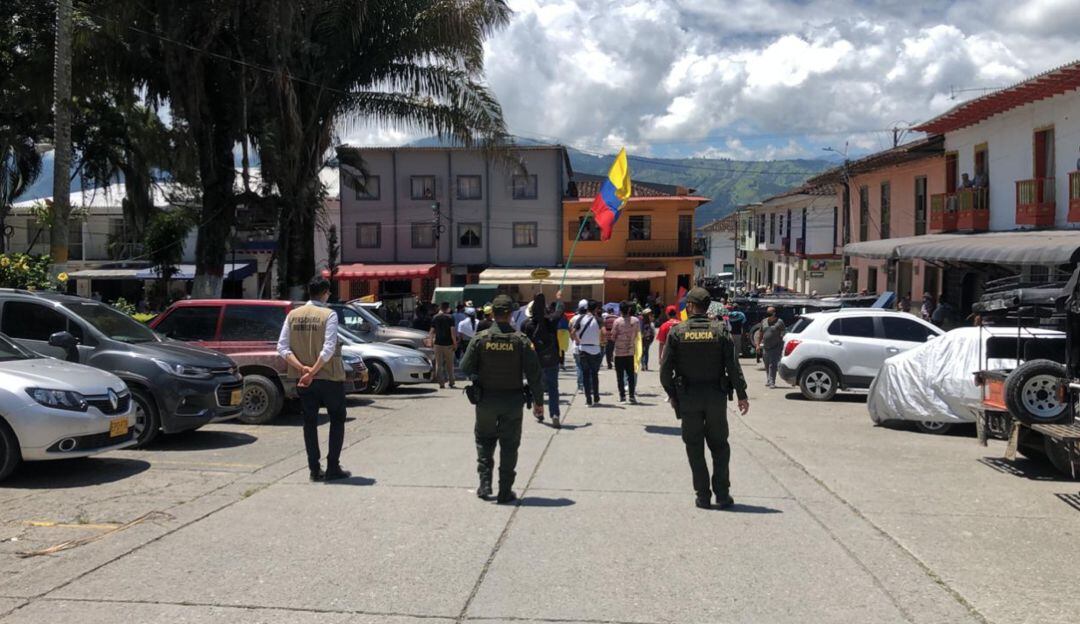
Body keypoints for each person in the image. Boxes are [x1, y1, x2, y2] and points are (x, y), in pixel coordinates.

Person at [660, 287, 749, 510]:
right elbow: (733, 366)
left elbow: (664, 371)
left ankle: (702, 495)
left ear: (690, 306)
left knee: (694, 446)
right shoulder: (720, 331)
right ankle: (722, 494)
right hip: (716, 398)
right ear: (708, 306)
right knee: (720, 446)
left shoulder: (678, 332)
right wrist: (742, 394)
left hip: (688, 398)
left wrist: (672, 395)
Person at [460, 295, 544, 503]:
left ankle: (485, 483)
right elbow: (535, 374)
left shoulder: (480, 339)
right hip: (512, 401)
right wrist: (539, 403)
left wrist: (478, 376)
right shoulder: (521, 341)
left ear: (493, 313)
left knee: (484, 440)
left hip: (486, 400)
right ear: (509, 314)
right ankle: (505, 490)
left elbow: (464, 367)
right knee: (509, 445)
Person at [277, 276, 351, 482]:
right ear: (325, 292)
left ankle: (313, 469)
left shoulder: (293, 315)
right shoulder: (329, 315)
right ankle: (333, 466)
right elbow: (328, 348)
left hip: (303, 379)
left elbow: (282, 347)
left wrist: (304, 370)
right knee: (337, 419)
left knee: (309, 423)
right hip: (329, 377)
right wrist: (314, 370)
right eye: (328, 292)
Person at [522, 290, 564, 427]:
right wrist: (559, 299)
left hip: (535, 361)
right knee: (553, 388)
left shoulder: (526, 325)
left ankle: (539, 411)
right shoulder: (551, 322)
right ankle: (555, 413)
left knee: (537, 388)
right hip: (551, 359)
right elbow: (559, 312)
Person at [573, 300, 603, 406]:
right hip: (595, 350)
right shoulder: (599, 320)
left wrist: (578, 341)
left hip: (583, 349)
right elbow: (603, 333)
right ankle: (596, 397)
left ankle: (588, 399)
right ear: (596, 309)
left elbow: (572, 332)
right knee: (594, 374)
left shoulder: (581, 318)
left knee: (585, 374)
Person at [610, 300, 641, 403]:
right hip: (630, 352)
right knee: (631, 376)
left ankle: (622, 396)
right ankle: (632, 396)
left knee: (620, 376)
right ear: (629, 310)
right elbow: (637, 334)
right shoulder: (635, 321)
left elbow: (613, 337)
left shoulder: (617, 322)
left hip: (619, 353)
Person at [429, 301, 458, 389]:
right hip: (448, 344)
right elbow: (452, 332)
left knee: (439, 363)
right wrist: (455, 343)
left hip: (437, 344)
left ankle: (441, 383)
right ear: (447, 308)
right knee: (449, 364)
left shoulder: (435, 317)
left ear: (440, 308)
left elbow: (431, 332)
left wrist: (431, 342)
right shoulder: (450, 317)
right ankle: (451, 381)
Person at [755, 306, 785, 388]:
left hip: (775, 346)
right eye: (767, 312)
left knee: (773, 364)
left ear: (774, 313)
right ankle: (768, 379)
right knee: (767, 364)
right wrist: (758, 345)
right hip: (766, 346)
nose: (768, 314)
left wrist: (781, 339)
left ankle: (772, 382)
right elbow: (760, 334)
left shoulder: (779, 322)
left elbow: (783, 332)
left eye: (770, 312)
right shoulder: (764, 321)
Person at [569, 300, 589, 391]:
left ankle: (580, 385)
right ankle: (586, 385)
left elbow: (570, 331)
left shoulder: (573, 318)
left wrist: (574, 340)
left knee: (578, 365)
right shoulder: (589, 318)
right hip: (586, 346)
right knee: (586, 366)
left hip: (576, 346)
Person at [602, 305, 618, 369]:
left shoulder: (606, 319)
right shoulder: (617, 318)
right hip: (616, 336)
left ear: (608, 312)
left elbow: (604, 328)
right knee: (616, 351)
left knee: (608, 351)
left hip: (608, 336)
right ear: (613, 311)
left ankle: (609, 364)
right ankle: (617, 364)